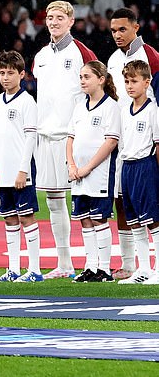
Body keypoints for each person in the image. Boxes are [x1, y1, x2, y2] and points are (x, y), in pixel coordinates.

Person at [32, 0, 97, 279]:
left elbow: (97, 88)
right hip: (46, 136)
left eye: (60, 17)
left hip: (74, 137)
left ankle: (94, 263)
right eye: (50, 17)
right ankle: (64, 263)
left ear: (71, 21)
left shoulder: (81, 52)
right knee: (54, 201)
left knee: (85, 200)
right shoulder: (41, 56)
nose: (54, 22)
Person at [106, 7, 159, 280]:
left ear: (136, 27)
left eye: (122, 29)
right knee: (123, 202)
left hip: (146, 141)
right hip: (122, 141)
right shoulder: (113, 59)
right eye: (113, 30)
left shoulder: (151, 56)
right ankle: (133, 265)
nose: (117, 34)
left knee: (152, 208)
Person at [0, 51, 42, 283]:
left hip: (21, 170)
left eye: (11, 73)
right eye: (2, 73)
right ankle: (13, 269)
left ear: (22, 74)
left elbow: (30, 138)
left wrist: (23, 170)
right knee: (9, 218)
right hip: (3, 171)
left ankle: (35, 270)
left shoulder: (27, 101)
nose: (6, 77)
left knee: (26, 217)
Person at [67, 61, 120, 283]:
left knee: (99, 219)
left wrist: (87, 167)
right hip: (77, 174)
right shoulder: (79, 106)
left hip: (99, 173)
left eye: (87, 76)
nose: (82, 81)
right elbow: (70, 138)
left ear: (101, 79)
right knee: (85, 220)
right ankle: (90, 266)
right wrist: (71, 165)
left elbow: (110, 142)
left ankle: (105, 269)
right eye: (80, 77)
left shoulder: (111, 107)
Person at [117, 60, 159, 285]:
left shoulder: (153, 110)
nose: (130, 85)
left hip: (146, 165)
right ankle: (143, 268)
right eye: (126, 81)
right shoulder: (124, 111)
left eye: (134, 81)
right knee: (134, 221)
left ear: (147, 82)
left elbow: (158, 143)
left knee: (153, 220)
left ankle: (158, 269)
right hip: (128, 167)